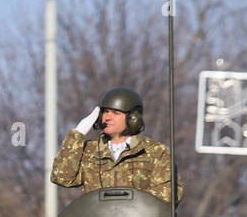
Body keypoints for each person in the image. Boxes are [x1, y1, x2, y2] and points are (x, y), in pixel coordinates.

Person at [50, 87, 182, 203]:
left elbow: (169, 194)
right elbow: (61, 177)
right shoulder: (89, 151)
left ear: (133, 118)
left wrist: (128, 206)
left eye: (115, 113)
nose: (107, 117)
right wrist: (77, 134)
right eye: (106, 112)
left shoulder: (155, 152)